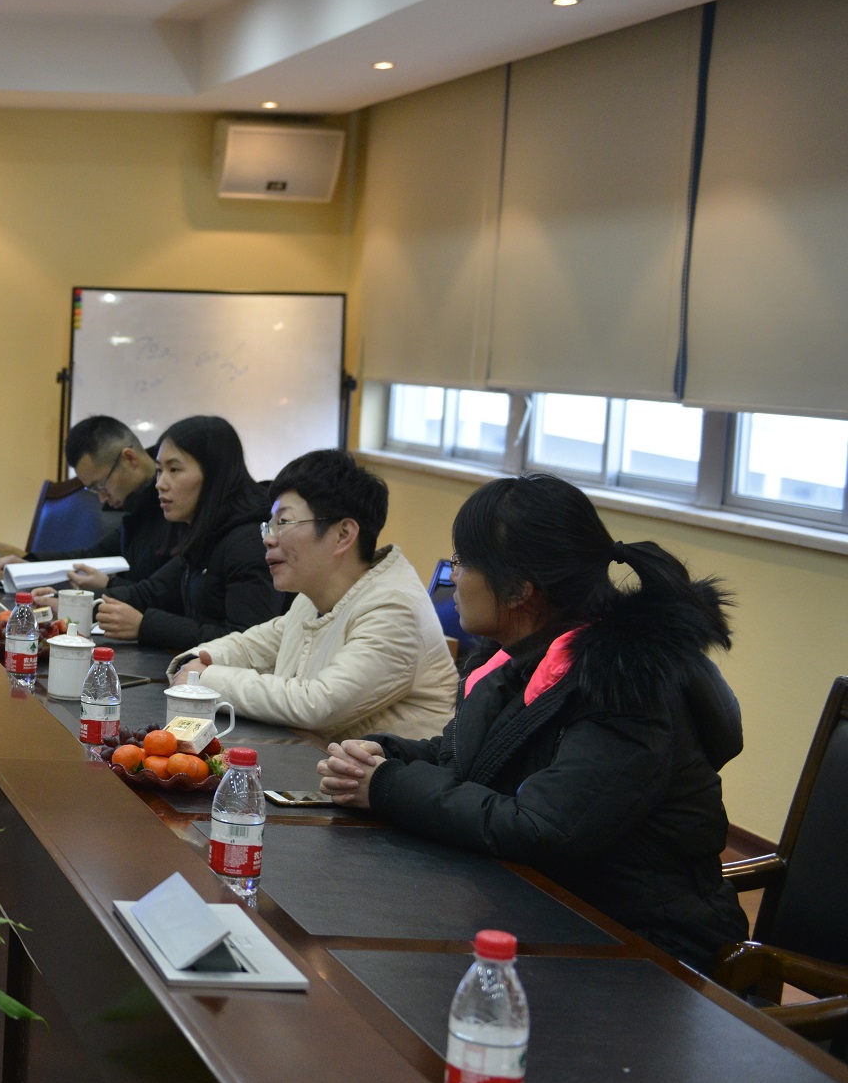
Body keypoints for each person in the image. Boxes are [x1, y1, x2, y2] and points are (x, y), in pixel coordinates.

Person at [318, 474, 747, 972]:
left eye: (463, 561)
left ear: (520, 589)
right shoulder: (527, 657)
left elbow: (542, 827)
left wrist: (389, 786)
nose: (453, 576)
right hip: (548, 915)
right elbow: (468, 756)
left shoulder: (626, 688)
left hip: (646, 953)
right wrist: (384, 755)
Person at [169, 450, 457, 741]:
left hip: (393, 770)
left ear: (343, 535)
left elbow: (318, 704)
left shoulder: (395, 608)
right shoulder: (315, 596)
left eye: (284, 522)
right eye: (269, 525)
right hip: (317, 760)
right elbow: (252, 647)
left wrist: (204, 678)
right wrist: (191, 663)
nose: (268, 538)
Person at [89, 415, 286, 654]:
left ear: (215, 474)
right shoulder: (206, 531)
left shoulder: (248, 542)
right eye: (159, 470)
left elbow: (248, 643)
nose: (160, 484)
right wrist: (73, 602)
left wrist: (145, 626)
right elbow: (149, 593)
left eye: (174, 469)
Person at [62, 416, 178, 587]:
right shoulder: (138, 505)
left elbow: (162, 594)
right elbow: (93, 556)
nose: (102, 498)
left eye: (101, 485)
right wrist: (28, 562)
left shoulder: (177, 509)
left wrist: (108, 585)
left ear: (130, 458)